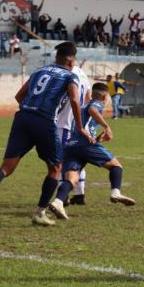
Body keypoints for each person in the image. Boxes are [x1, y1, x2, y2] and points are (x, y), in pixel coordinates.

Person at [0, 42, 92, 227]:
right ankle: (40, 213)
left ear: (56, 57)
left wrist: (30, 110)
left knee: (7, 167)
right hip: (45, 121)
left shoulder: (39, 71)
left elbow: (19, 96)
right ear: (72, 60)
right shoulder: (70, 76)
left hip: (23, 117)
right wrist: (81, 127)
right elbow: (75, 100)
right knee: (55, 168)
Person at [50, 82, 135, 219]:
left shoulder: (83, 107)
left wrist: (98, 139)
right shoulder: (96, 104)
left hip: (71, 146)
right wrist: (106, 126)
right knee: (116, 166)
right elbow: (93, 111)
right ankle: (115, 192)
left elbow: (85, 127)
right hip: (85, 144)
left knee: (72, 179)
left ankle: (58, 202)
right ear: (105, 96)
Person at [54, 61, 91, 207]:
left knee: (59, 162)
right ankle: (80, 195)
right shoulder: (82, 73)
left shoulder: (65, 74)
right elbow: (88, 98)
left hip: (65, 124)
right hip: (80, 124)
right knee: (77, 159)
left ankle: (63, 197)